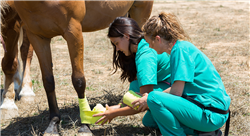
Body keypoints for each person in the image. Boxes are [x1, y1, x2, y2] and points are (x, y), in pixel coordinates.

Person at [132, 12, 231, 136]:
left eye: (150, 43)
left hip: (210, 114)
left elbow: (176, 93)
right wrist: (151, 98)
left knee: (153, 99)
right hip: (209, 110)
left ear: (158, 39)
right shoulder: (180, 47)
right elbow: (177, 88)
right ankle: (203, 133)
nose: (150, 47)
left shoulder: (179, 50)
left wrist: (150, 98)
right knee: (150, 119)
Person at [93, 16, 171, 130]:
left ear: (126, 36)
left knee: (149, 121)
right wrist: (118, 107)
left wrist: (115, 113)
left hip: (179, 92)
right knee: (135, 87)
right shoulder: (142, 44)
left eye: (116, 43)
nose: (117, 49)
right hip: (169, 85)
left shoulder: (145, 56)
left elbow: (144, 102)